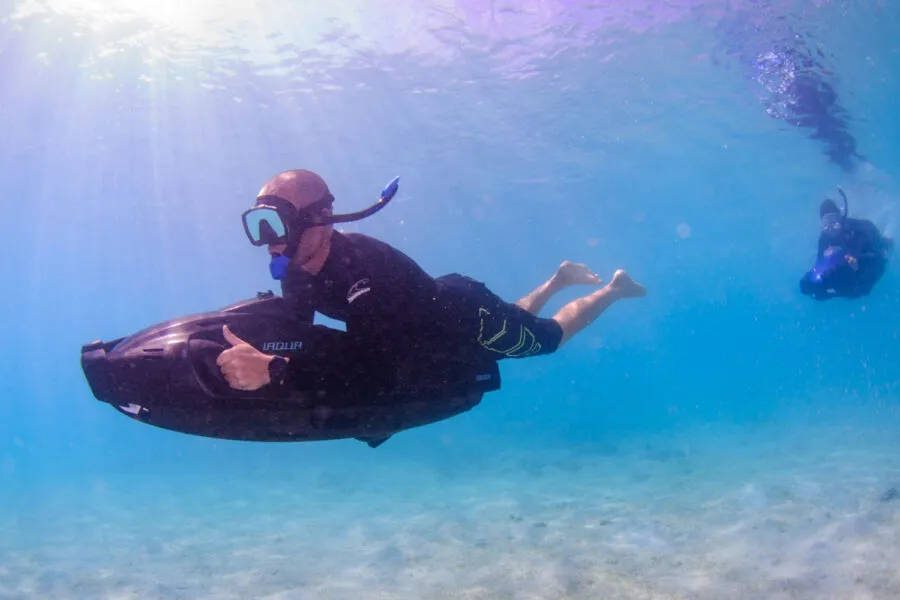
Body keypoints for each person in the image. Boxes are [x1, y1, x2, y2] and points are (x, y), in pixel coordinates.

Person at [217, 169, 646, 391]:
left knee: (547, 339)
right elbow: (301, 330)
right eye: (259, 225)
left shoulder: (366, 274)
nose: (268, 242)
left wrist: (276, 370)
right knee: (515, 320)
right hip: (432, 319)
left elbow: (371, 364)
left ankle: (613, 288)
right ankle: (559, 279)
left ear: (321, 220)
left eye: (277, 225)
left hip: (466, 321)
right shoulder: (296, 269)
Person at [799, 187, 892, 301]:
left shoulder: (857, 229)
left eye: (834, 223)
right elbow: (821, 264)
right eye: (826, 225)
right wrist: (812, 277)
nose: (831, 229)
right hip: (848, 271)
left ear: (841, 219)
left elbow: (868, 245)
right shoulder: (824, 239)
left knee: (861, 285)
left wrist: (855, 258)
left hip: (871, 257)